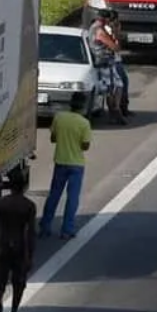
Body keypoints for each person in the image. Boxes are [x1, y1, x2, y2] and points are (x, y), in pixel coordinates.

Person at [40, 92, 92, 240]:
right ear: (83, 106)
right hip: (76, 164)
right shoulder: (84, 123)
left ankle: (45, 226)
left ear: (70, 103)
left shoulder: (59, 117)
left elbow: (53, 138)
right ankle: (67, 229)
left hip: (60, 161)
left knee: (54, 195)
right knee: (72, 198)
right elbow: (85, 145)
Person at [0, 178, 37, 312]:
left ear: (10, 188)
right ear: (23, 188)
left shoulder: (0, 203)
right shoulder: (29, 205)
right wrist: (30, 255)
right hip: (19, 247)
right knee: (19, 282)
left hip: (3, 245)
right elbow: (30, 232)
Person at [89, 9, 129, 123]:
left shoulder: (94, 28)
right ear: (105, 19)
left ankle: (114, 110)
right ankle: (114, 110)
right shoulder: (99, 31)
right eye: (108, 19)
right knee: (113, 87)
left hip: (104, 61)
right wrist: (116, 36)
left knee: (114, 86)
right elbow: (115, 47)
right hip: (104, 62)